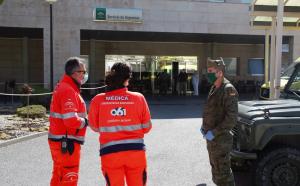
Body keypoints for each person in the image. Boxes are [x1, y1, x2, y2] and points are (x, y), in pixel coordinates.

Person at [88, 62, 152, 186]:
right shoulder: (138, 98)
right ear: (127, 79)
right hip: (136, 153)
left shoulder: (98, 100)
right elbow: (147, 127)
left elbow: (95, 127)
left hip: (110, 153)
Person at [48, 57, 89, 186]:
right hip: (66, 142)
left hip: (61, 140)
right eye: (82, 72)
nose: (84, 75)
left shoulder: (66, 87)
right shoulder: (68, 90)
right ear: (74, 73)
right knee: (68, 177)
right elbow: (71, 120)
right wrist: (85, 121)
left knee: (59, 174)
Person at [201, 58, 238, 186]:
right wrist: (204, 127)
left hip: (221, 139)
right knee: (216, 170)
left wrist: (214, 132)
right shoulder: (214, 87)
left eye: (211, 71)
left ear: (220, 72)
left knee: (224, 173)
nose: (208, 74)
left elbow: (231, 118)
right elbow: (211, 110)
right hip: (212, 139)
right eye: (208, 71)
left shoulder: (228, 89)